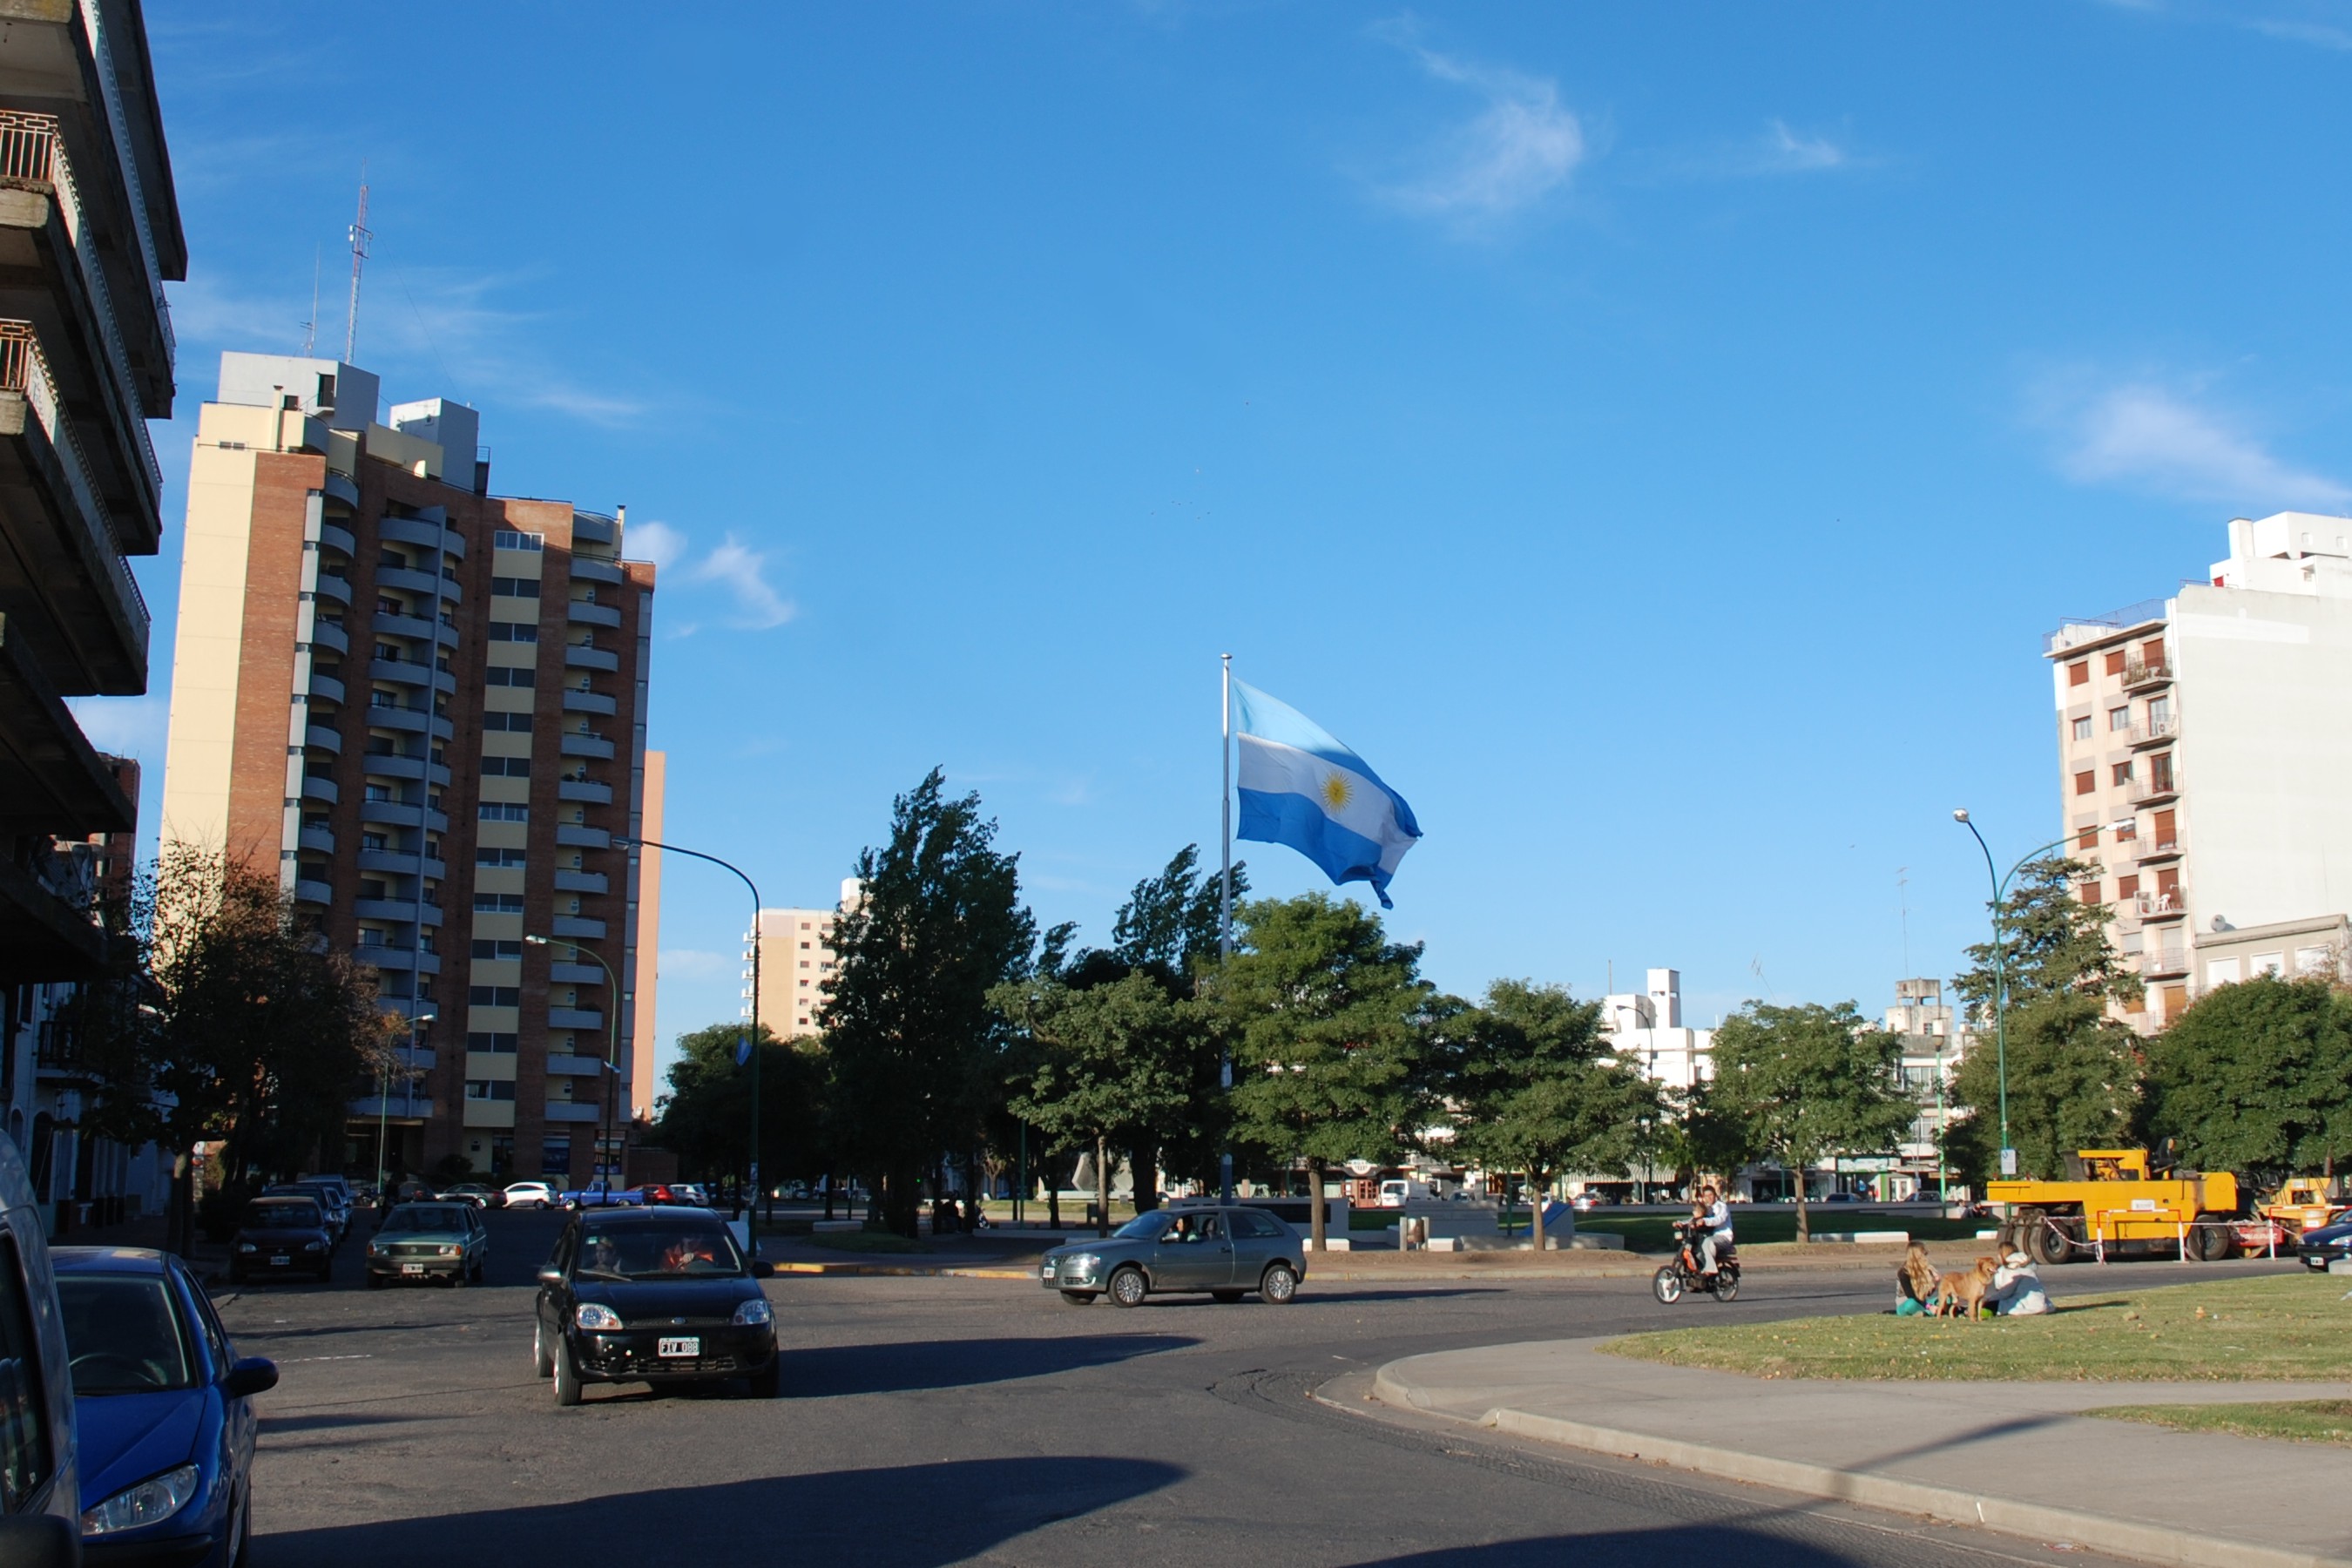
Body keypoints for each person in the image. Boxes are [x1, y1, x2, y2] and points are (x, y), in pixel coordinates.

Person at [1985, 1248, 2051, 1316]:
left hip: (2029, 1305)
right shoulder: (2030, 1271)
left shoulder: (2018, 1272)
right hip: (2040, 1304)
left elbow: (2005, 1293)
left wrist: (1989, 1300)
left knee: (1991, 1305)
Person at [1694, 1183, 1733, 1276]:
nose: (1709, 1198)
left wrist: (1704, 1221)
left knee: (1708, 1242)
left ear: (1715, 1195)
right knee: (1696, 1250)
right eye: (1706, 1196)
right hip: (1712, 1236)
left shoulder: (1721, 1206)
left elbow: (1719, 1219)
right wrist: (1681, 1223)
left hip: (1724, 1237)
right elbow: (1695, 1217)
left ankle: (1710, 1269)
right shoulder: (1707, 1208)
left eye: (1710, 1195)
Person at [1896, 1240, 1940, 1316]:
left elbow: (1928, 1294)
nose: (1926, 1257)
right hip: (1907, 1303)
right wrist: (1929, 1307)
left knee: (1944, 1299)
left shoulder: (1925, 1269)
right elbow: (1911, 1296)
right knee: (1910, 1304)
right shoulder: (1903, 1272)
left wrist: (1935, 1282)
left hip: (1923, 1302)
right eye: (1924, 1254)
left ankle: (1928, 1312)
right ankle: (1930, 1312)